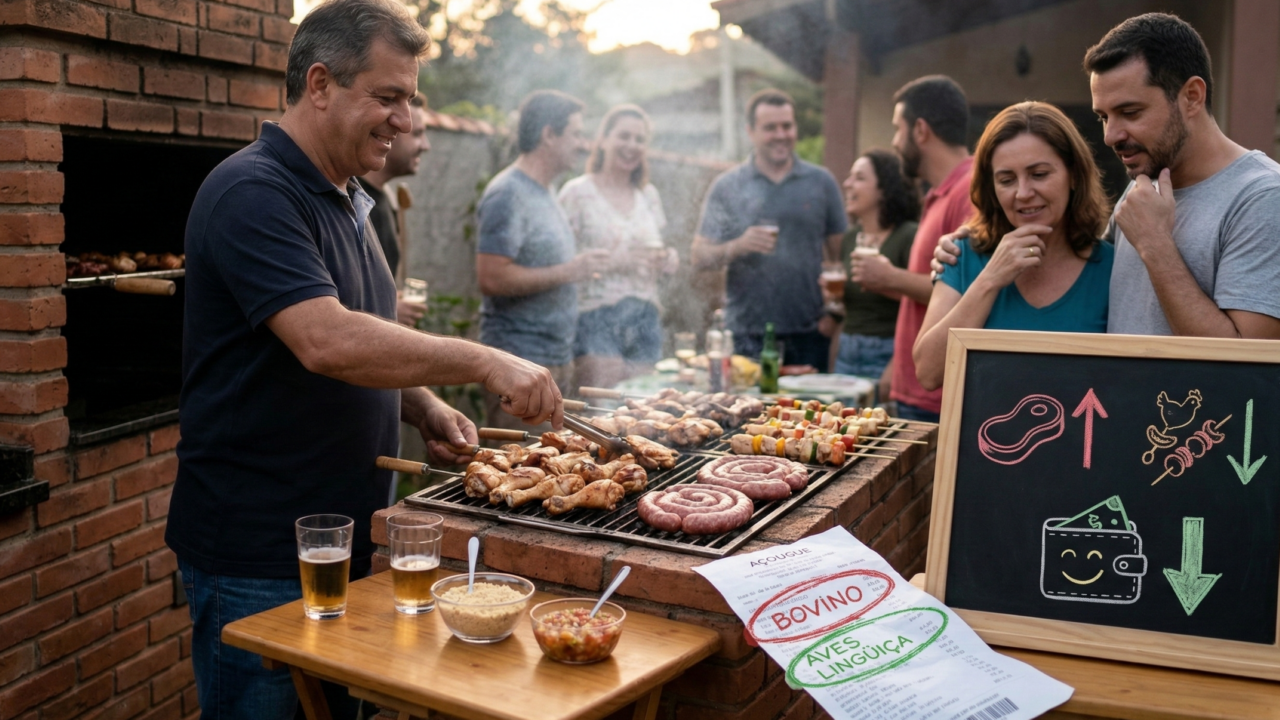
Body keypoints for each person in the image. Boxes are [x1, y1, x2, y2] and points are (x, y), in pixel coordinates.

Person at [167, 1, 564, 717]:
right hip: (260, 554)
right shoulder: (253, 192)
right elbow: (324, 340)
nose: (406, 120)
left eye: (409, 100)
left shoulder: (350, 200)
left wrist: (424, 404)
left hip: (343, 537)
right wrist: (479, 362)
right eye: (388, 97)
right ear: (319, 84)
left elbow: (362, 333)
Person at [935, 13, 1280, 340]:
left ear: (1192, 96)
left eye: (1130, 112)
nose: (1111, 135)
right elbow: (1082, 256)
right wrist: (978, 237)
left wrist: (1155, 245)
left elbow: (1246, 365)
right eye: (1103, 117)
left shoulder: (1262, 197)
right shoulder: (1143, 188)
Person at [913, 102, 1114, 390]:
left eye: (1039, 174)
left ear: (1073, 174)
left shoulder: (1111, 267)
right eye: (1006, 180)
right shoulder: (963, 254)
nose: (1023, 193)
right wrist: (990, 280)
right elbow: (928, 373)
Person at [475, 90, 611, 428]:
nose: (583, 144)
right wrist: (571, 270)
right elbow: (491, 278)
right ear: (548, 135)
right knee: (519, 471)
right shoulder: (508, 193)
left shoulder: (547, 190)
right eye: (576, 134)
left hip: (552, 360)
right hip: (518, 366)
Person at [691, 88, 847, 370]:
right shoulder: (727, 186)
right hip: (745, 334)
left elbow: (841, 257)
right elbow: (699, 256)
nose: (780, 134)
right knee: (745, 413)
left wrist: (833, 317)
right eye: (770, 128)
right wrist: (738, 245)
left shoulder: (821, 182)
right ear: (751, 131)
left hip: (809, 333)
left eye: (787, 126)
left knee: (813, 413)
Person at [558, 105, 678, 389]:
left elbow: (655, 250)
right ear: (604, 139)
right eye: (624, 136)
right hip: (596, 316)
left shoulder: (648, 195)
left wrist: (667, 259)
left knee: (642, 410)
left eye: (639, 139)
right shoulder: (577, 193)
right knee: (602, 412)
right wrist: (617, 261)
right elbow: (561, 264)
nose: (632, 145)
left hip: (646, 315)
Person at [882, 76, 973, 423]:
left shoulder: (969, 189)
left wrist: (889, 277)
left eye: (897, 129)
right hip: (917, 389)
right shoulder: (938, 193)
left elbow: (966, 289)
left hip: (937, 395)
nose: (893, 142)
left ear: (920, 130)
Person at [824, 149, 919, 393]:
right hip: (847, 349)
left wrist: (896, 364)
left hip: (887, 351)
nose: (847, 184)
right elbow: (848, 313)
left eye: (859, 178)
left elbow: (921, 307)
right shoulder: (850, 237)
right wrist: (834, 299)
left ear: (883, 189)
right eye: (849, 177)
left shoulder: (908, 235)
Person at [359, 94, 430, 327]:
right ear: (392, 132)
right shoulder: (352, 204)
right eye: (418, 134)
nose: (426, 146)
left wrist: (391, 298)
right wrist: (388, 309)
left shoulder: (386, 201)